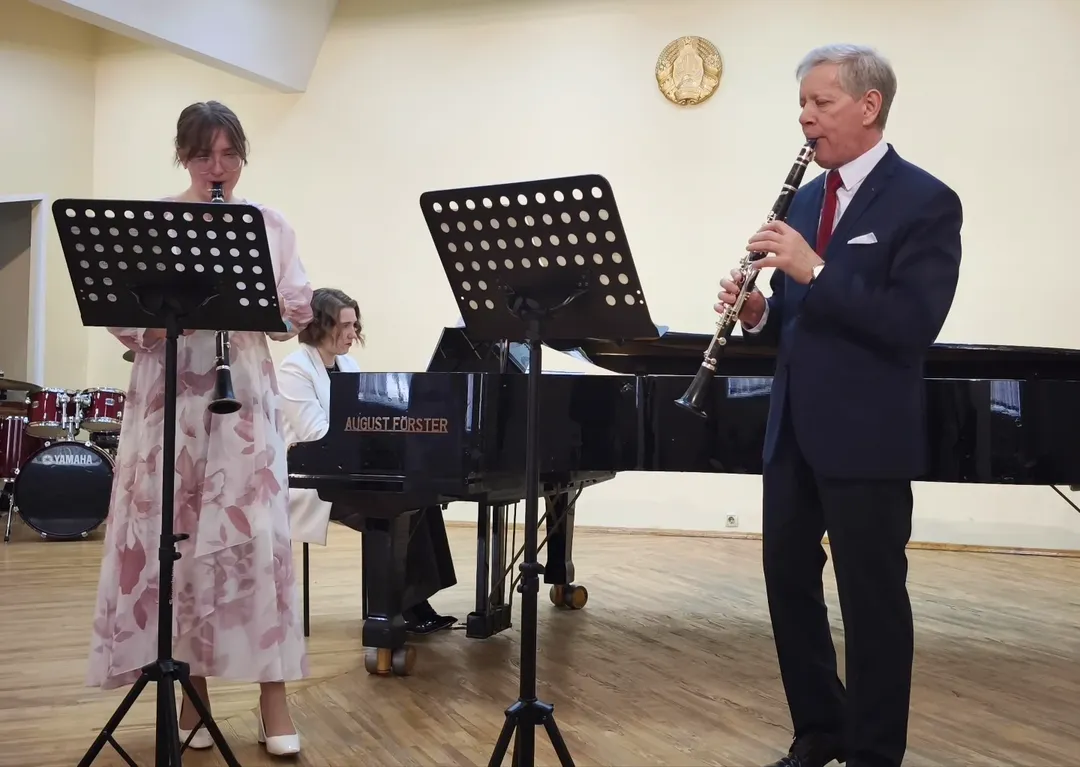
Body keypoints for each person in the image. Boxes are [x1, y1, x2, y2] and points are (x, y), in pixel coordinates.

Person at [716, 45, 962, 767]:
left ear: (868, 105)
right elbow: (798, 319)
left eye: (820, 103)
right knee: (788, 584)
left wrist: (814, 269)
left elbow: (911, 324)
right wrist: (758, 312)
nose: (805, 117)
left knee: (871, 599)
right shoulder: (803, 200)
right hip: (792, 427)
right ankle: (820, 727)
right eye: (803, 103)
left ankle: (874, 752)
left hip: (867, 433)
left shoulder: (925, 201)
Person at [86, 100, 314, 757]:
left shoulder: (268, 224)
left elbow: (295, 313)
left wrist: (253, 306)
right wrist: (169, 315)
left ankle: (274, 697)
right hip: (170, 398)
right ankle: (194, 692)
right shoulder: (154, 223)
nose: (218, 167)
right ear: (183, 156)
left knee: (256, 538)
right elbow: (123, 317)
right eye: (204, 154)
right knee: (175, 536)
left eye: (230, 154)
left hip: (240, 397)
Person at [278, 287, 457, 634]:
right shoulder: (294, 368)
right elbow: (314, 432)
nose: (353, 333)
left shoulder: (348, 365)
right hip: (309, 476)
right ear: (320, 326)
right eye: (344, 325)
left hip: (346, 468)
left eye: (354, 325)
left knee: (420, 496)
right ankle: (394, 610)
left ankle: (413, 600)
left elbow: (359, 422)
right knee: (389, 506)